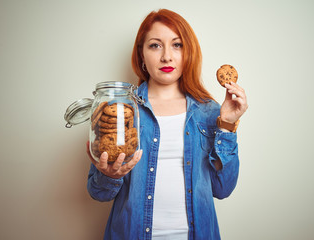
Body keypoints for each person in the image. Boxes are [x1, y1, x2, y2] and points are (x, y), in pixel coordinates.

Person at [86, 9, 248, 240]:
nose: (167, 57)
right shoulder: (121, 110)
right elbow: (98, 193)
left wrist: (227, 126)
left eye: (177, 45)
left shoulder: (210, 111)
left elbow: (223, 189)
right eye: (155, 45)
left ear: (188, 52)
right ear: (141, 54)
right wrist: (109, 175)